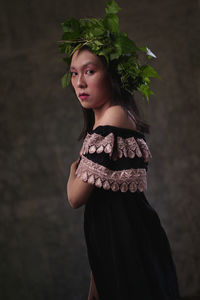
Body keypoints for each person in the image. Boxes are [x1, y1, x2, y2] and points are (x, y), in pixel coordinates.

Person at [59, 1, 180, 299]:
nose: (79, 83)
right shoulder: (101, 123)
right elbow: (102, 208)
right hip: (111, 246)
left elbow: (76, 197)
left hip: (130, 245)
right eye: (74, 74)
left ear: (110, 73)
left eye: (89, 71)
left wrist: (73, 171)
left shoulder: (114, 116)